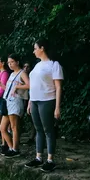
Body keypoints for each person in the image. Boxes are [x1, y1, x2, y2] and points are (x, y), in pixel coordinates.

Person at [25, 39, 63, 172]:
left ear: (42, 48)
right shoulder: (37, 65)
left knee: (48, 130)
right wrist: (30, 101)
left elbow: (58, 87)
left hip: (47, 100)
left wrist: (57, 107)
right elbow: (33, 85)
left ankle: (50, 159)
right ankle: (38, 157)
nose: (34, 51)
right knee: (38, 129)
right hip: (35, 100)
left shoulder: (54, 65)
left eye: (35, 48)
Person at [0, 54, 30, 158]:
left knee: (14, 126)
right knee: (2, 128)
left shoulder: (22, 73)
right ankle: (11, 147)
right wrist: (2, 86)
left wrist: (18, 86)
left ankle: (15, 149)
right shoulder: (12, 74)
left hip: (16, 101)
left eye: (12, 62)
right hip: (7, 100)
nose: (10, 64)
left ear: (17, 62)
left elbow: (29, 85)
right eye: (8, 62)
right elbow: (9, 88)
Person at [23, 62, 36, 145]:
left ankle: (32, 137)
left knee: (33, 120)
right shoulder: (21, 76)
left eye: (28, 66)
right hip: (23, 99)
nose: (26, 68)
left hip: (31, 99)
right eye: (25, 66)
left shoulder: (33, 77)